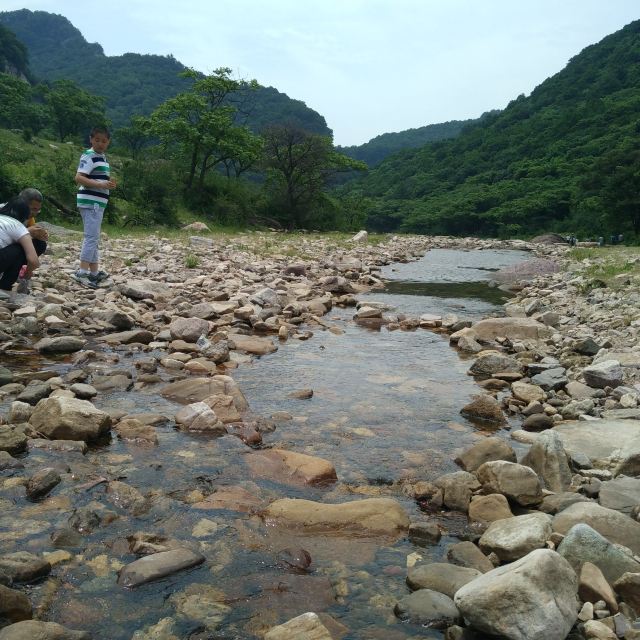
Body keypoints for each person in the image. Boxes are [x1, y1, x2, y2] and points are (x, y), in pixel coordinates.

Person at [73, 125, 116, 288]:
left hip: (97, 202)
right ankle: (82, 273)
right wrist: (100, 184)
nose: (100, 144)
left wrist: (107, 185)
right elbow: (79, 177)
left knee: (94, 237)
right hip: (91, 203)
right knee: (91, 237)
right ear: (91, 139)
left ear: (108, 142)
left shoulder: (102, 157)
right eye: (97, 140)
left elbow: (97, 180)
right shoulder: (89, 156)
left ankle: (94, 273)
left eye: (104, 141)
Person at [0, 198, 40, 292]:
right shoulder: (18, 226)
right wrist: (28, 272)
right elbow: (34, 261)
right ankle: (4, 286)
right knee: (20, 249)